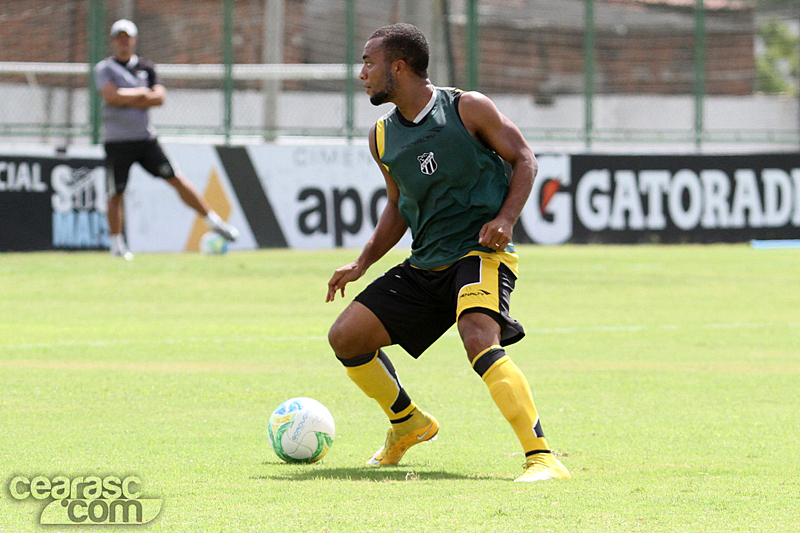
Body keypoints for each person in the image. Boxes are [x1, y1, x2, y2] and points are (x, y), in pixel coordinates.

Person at [326, 23, 569, 482]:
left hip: (479, 253)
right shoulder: (381, 137)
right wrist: (362, 263)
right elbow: (397, 206)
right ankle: (408, 424)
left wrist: (506, 219)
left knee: (478, 336)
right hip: (426, 264)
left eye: (369, 63)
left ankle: (542, 458)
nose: (362, 73)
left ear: (399, 66)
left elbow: (525, 158)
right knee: (347, 337)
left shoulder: (467, 108)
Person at [94, 19, 238, 260]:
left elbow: (159, 98)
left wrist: (127, 96)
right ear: (113, 41)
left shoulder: (146, 68)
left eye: (127, 37)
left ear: (134, 40)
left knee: (176, 179)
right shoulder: (105, 68)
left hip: (145, 140)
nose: (123, 42)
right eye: (119, 37)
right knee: (116, 192)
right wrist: (142, 94)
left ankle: (214, 222)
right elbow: (111, 97)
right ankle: (117, 245)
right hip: (117, 142)